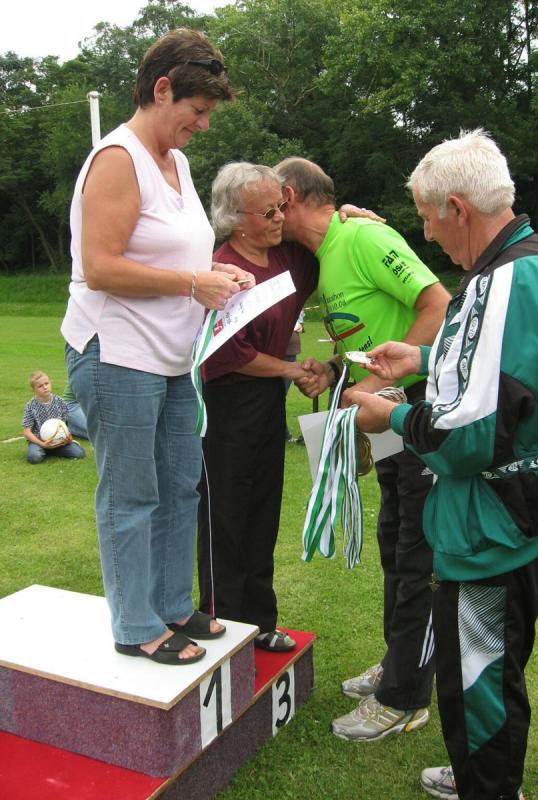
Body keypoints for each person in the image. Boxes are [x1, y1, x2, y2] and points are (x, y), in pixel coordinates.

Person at [351, 129, 538, 800]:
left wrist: (390, 416)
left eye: (427, 218)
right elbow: (513, 374)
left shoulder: (501, 281)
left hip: (495, 526)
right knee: (499, 660)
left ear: (457, 208)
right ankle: (484, 775)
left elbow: (467, 434)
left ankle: (488, 785)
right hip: (537, 507)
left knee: (479, 678)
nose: (426, 234)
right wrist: (425, 359)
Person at [61, 29, 256, 665]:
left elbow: (177, 253)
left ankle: (172, 604)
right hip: (116, 354)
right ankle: (134, 624)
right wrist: (192, 283)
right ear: (162, 89)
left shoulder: (178, 162)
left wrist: (216, 275)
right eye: (197, 110)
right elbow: (100, 267)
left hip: (173, 357)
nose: (203, 124)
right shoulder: (117, 159)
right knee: (131, 496)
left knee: (179, 488)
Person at [274, 157, 450, 740]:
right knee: (395, 540)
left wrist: (376, 384)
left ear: (290, 196)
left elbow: (438, 304)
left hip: (419, 406)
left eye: (271, 204)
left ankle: (405, 697)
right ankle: (401, 659)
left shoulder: (365, 237)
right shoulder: (327, 254)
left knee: (418, 550)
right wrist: (334, 370)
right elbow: (366, 333)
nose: (267, 216)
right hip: (386, 412)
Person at [197, 162, 319, 652]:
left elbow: (327, 237)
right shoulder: (223, 269)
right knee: (226, 516)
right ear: (236, 219)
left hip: (267, 402)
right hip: (226, 405)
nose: (280, 217)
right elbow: (230, 355)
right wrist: (294, 370)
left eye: (281, 206)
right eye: (268, 212)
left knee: (264, 510)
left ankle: (260, 621)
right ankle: (221, 621)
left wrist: (348, 215)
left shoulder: (289, 257)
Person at [22, 371, 86, 464]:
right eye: (40, 386)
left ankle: (54, 450)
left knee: (79, 453)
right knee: (34, 457)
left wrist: (68, 438)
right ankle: (45, 449)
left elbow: (65, 425)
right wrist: (42, 444)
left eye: (46, 383)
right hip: (39, 441)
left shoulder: (60, 402)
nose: (45, 387)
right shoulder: (31, 406)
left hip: (58, 441)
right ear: (33, 390)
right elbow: (26, 432)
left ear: (50, 383)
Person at [283, 311, 305, 443]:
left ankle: (283, 434)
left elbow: (299, 319)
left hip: (290, 351)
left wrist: (300, 324)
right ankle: (283, 435)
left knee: (279, 396)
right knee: (278, 396)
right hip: (281, 351)